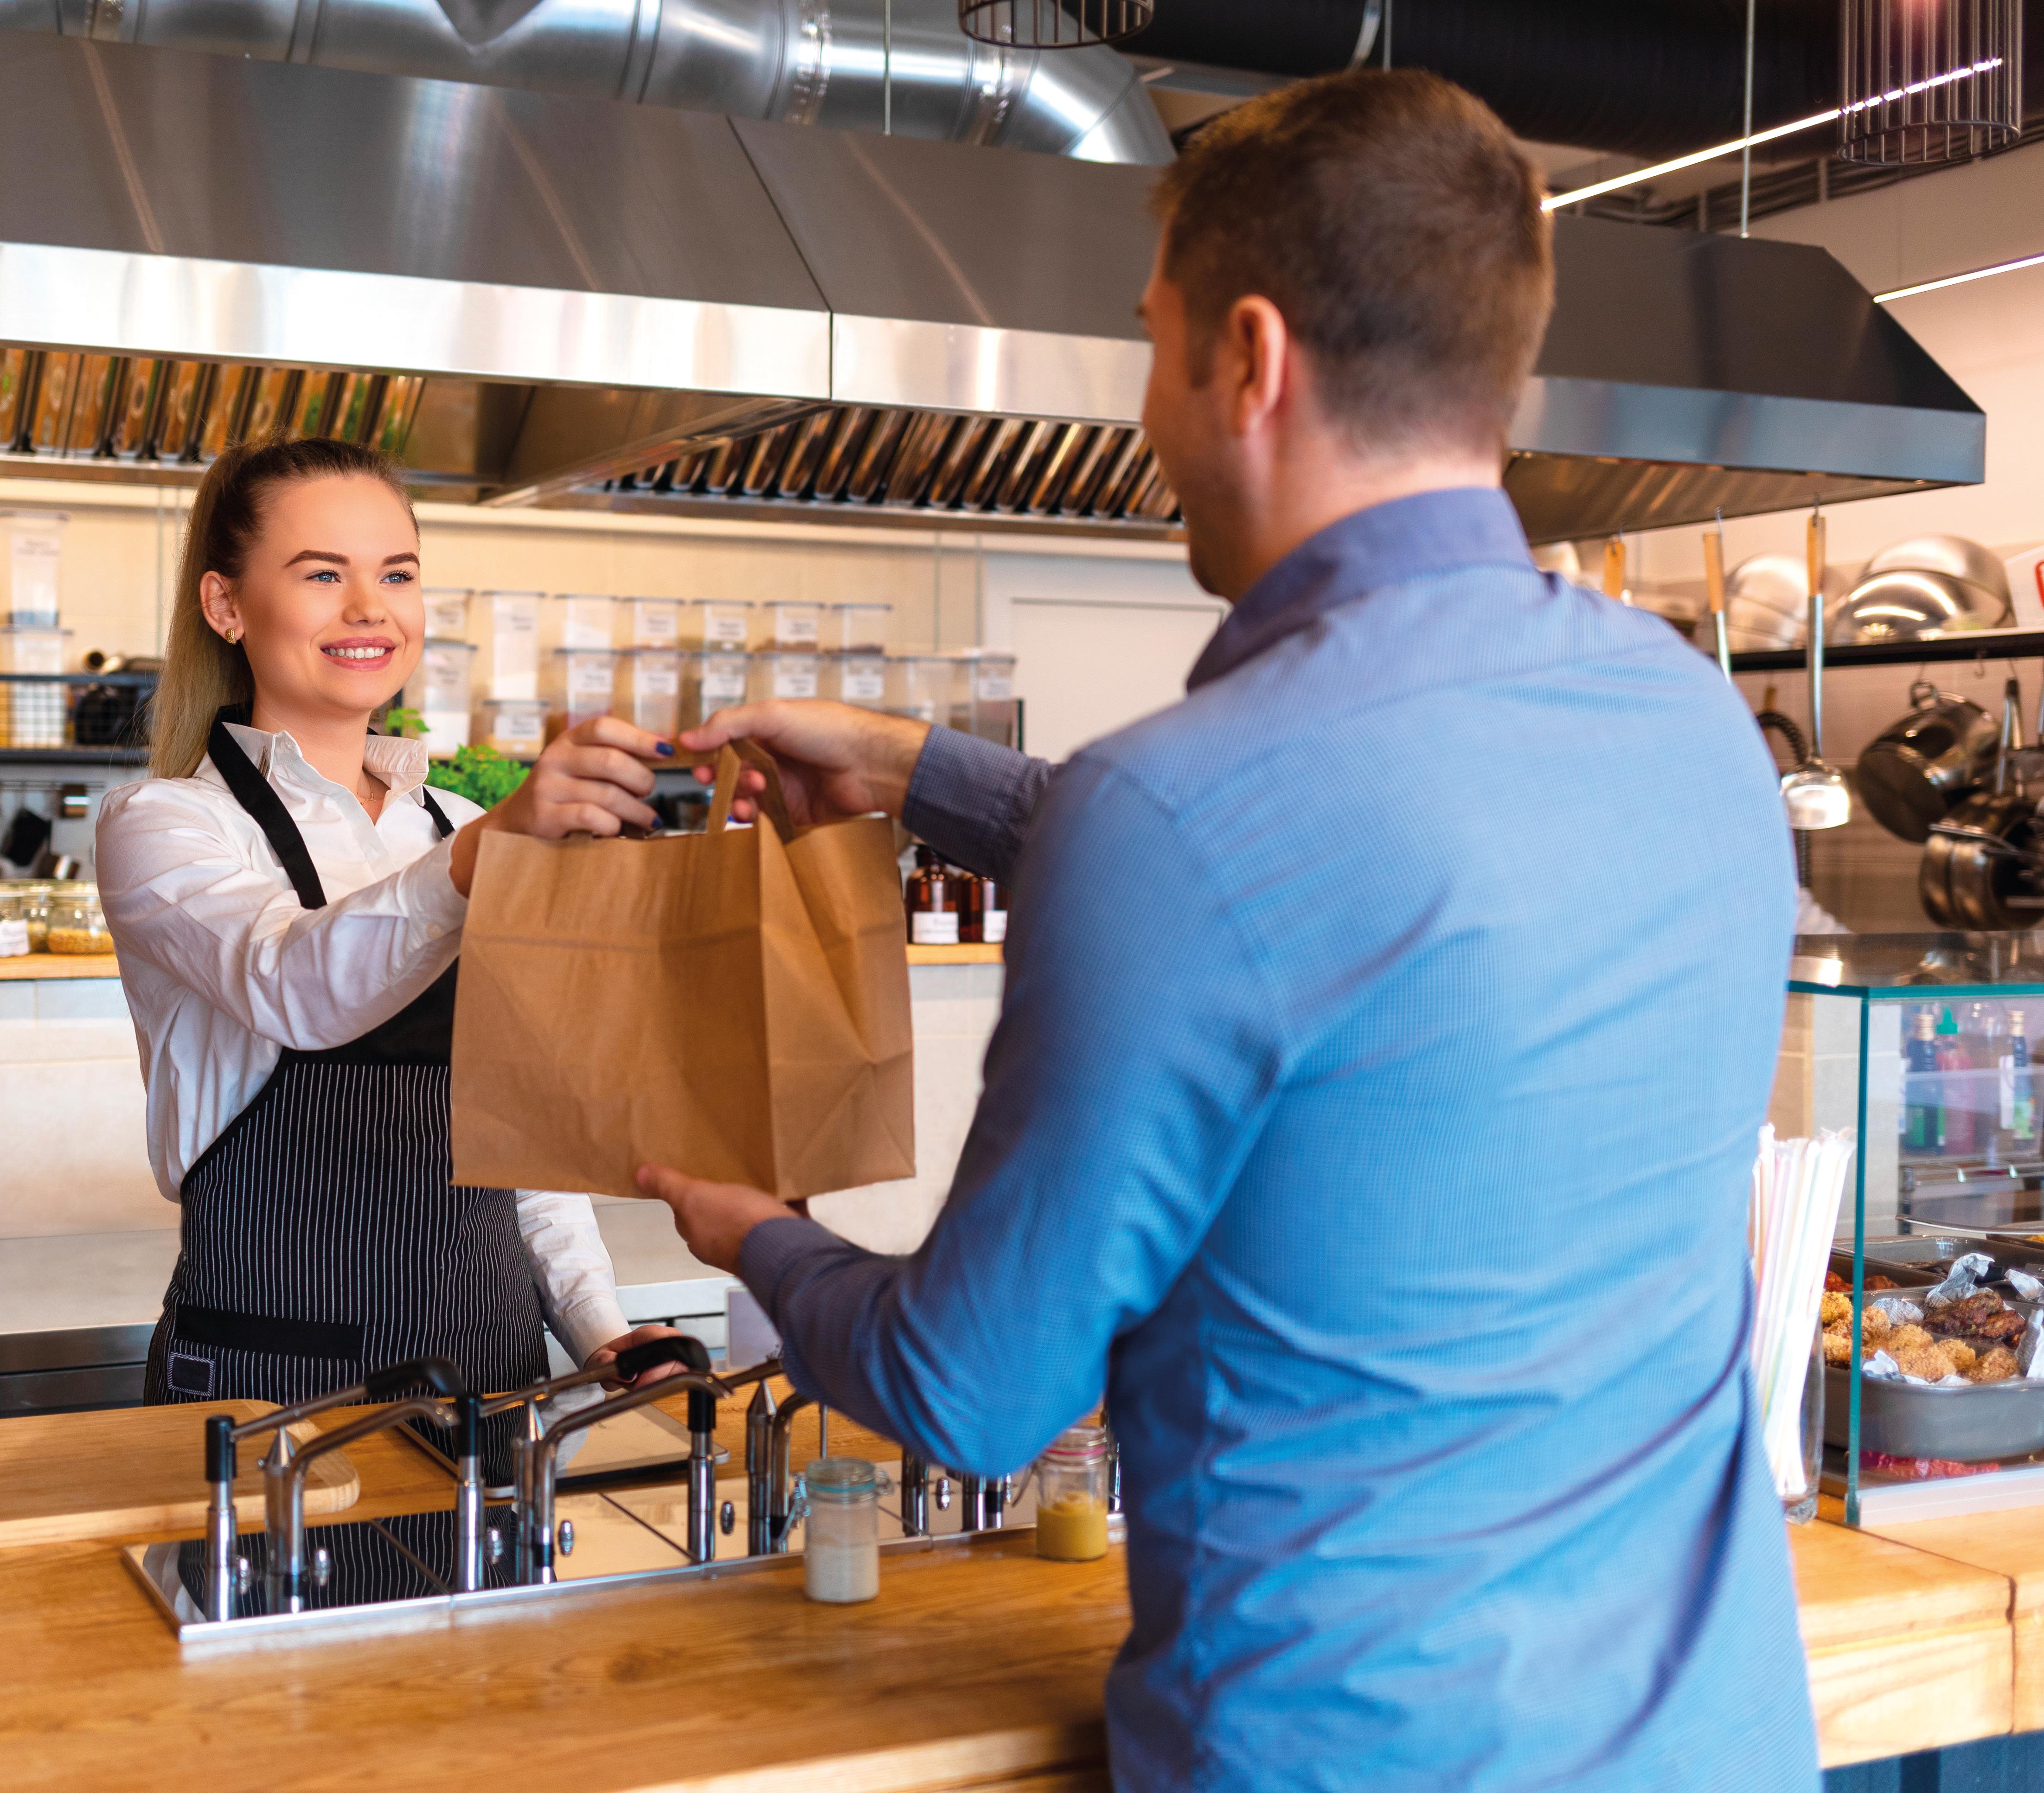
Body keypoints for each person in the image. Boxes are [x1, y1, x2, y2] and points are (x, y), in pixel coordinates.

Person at [635, 70, 1817, 1790]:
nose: (1146, 409)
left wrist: (750, 1226)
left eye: (1150, 341)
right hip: (1709, 1742)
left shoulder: (1182, 816)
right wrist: (915, 768)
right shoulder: (1697, 726)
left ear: (1249, 360)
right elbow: (1350, 914)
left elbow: (973, 1389)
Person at [96, 437, 684, 1412]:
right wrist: (493, 854)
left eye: (396, 574)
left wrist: (600, 1327)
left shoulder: (455, 825)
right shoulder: (165, 826)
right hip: (272, 1392)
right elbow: (293, 983)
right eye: (322, 573)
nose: (369, 608)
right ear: (226, 606)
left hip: (493, 1383)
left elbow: (522, 1137)